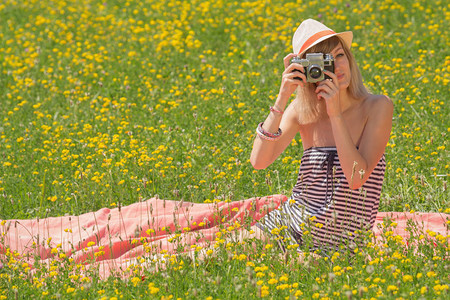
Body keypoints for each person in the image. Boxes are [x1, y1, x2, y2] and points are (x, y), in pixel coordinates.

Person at [247, 19, 393, 257]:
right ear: (305, 69)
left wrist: (335, 113)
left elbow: (357, 178)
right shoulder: (303, 111)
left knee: (290, 267)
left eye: (339, 55)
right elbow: (259, 161)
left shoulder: (377, 107)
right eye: (324, 61)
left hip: (341, 245)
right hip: (290, 223)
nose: (336, 67)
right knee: (220, 253)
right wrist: (283, 97)